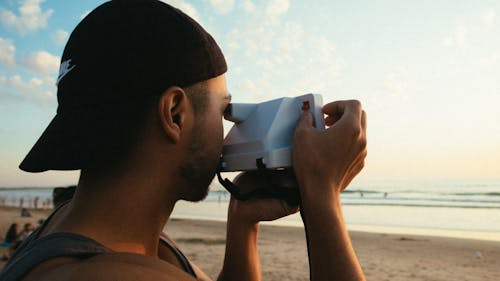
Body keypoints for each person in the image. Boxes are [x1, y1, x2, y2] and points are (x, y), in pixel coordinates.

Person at [0, 1, 367, 281]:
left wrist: (243, 222)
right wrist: (323, 195)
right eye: (223, 111)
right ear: (174, 113)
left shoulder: (84, 227)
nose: (226, 130)